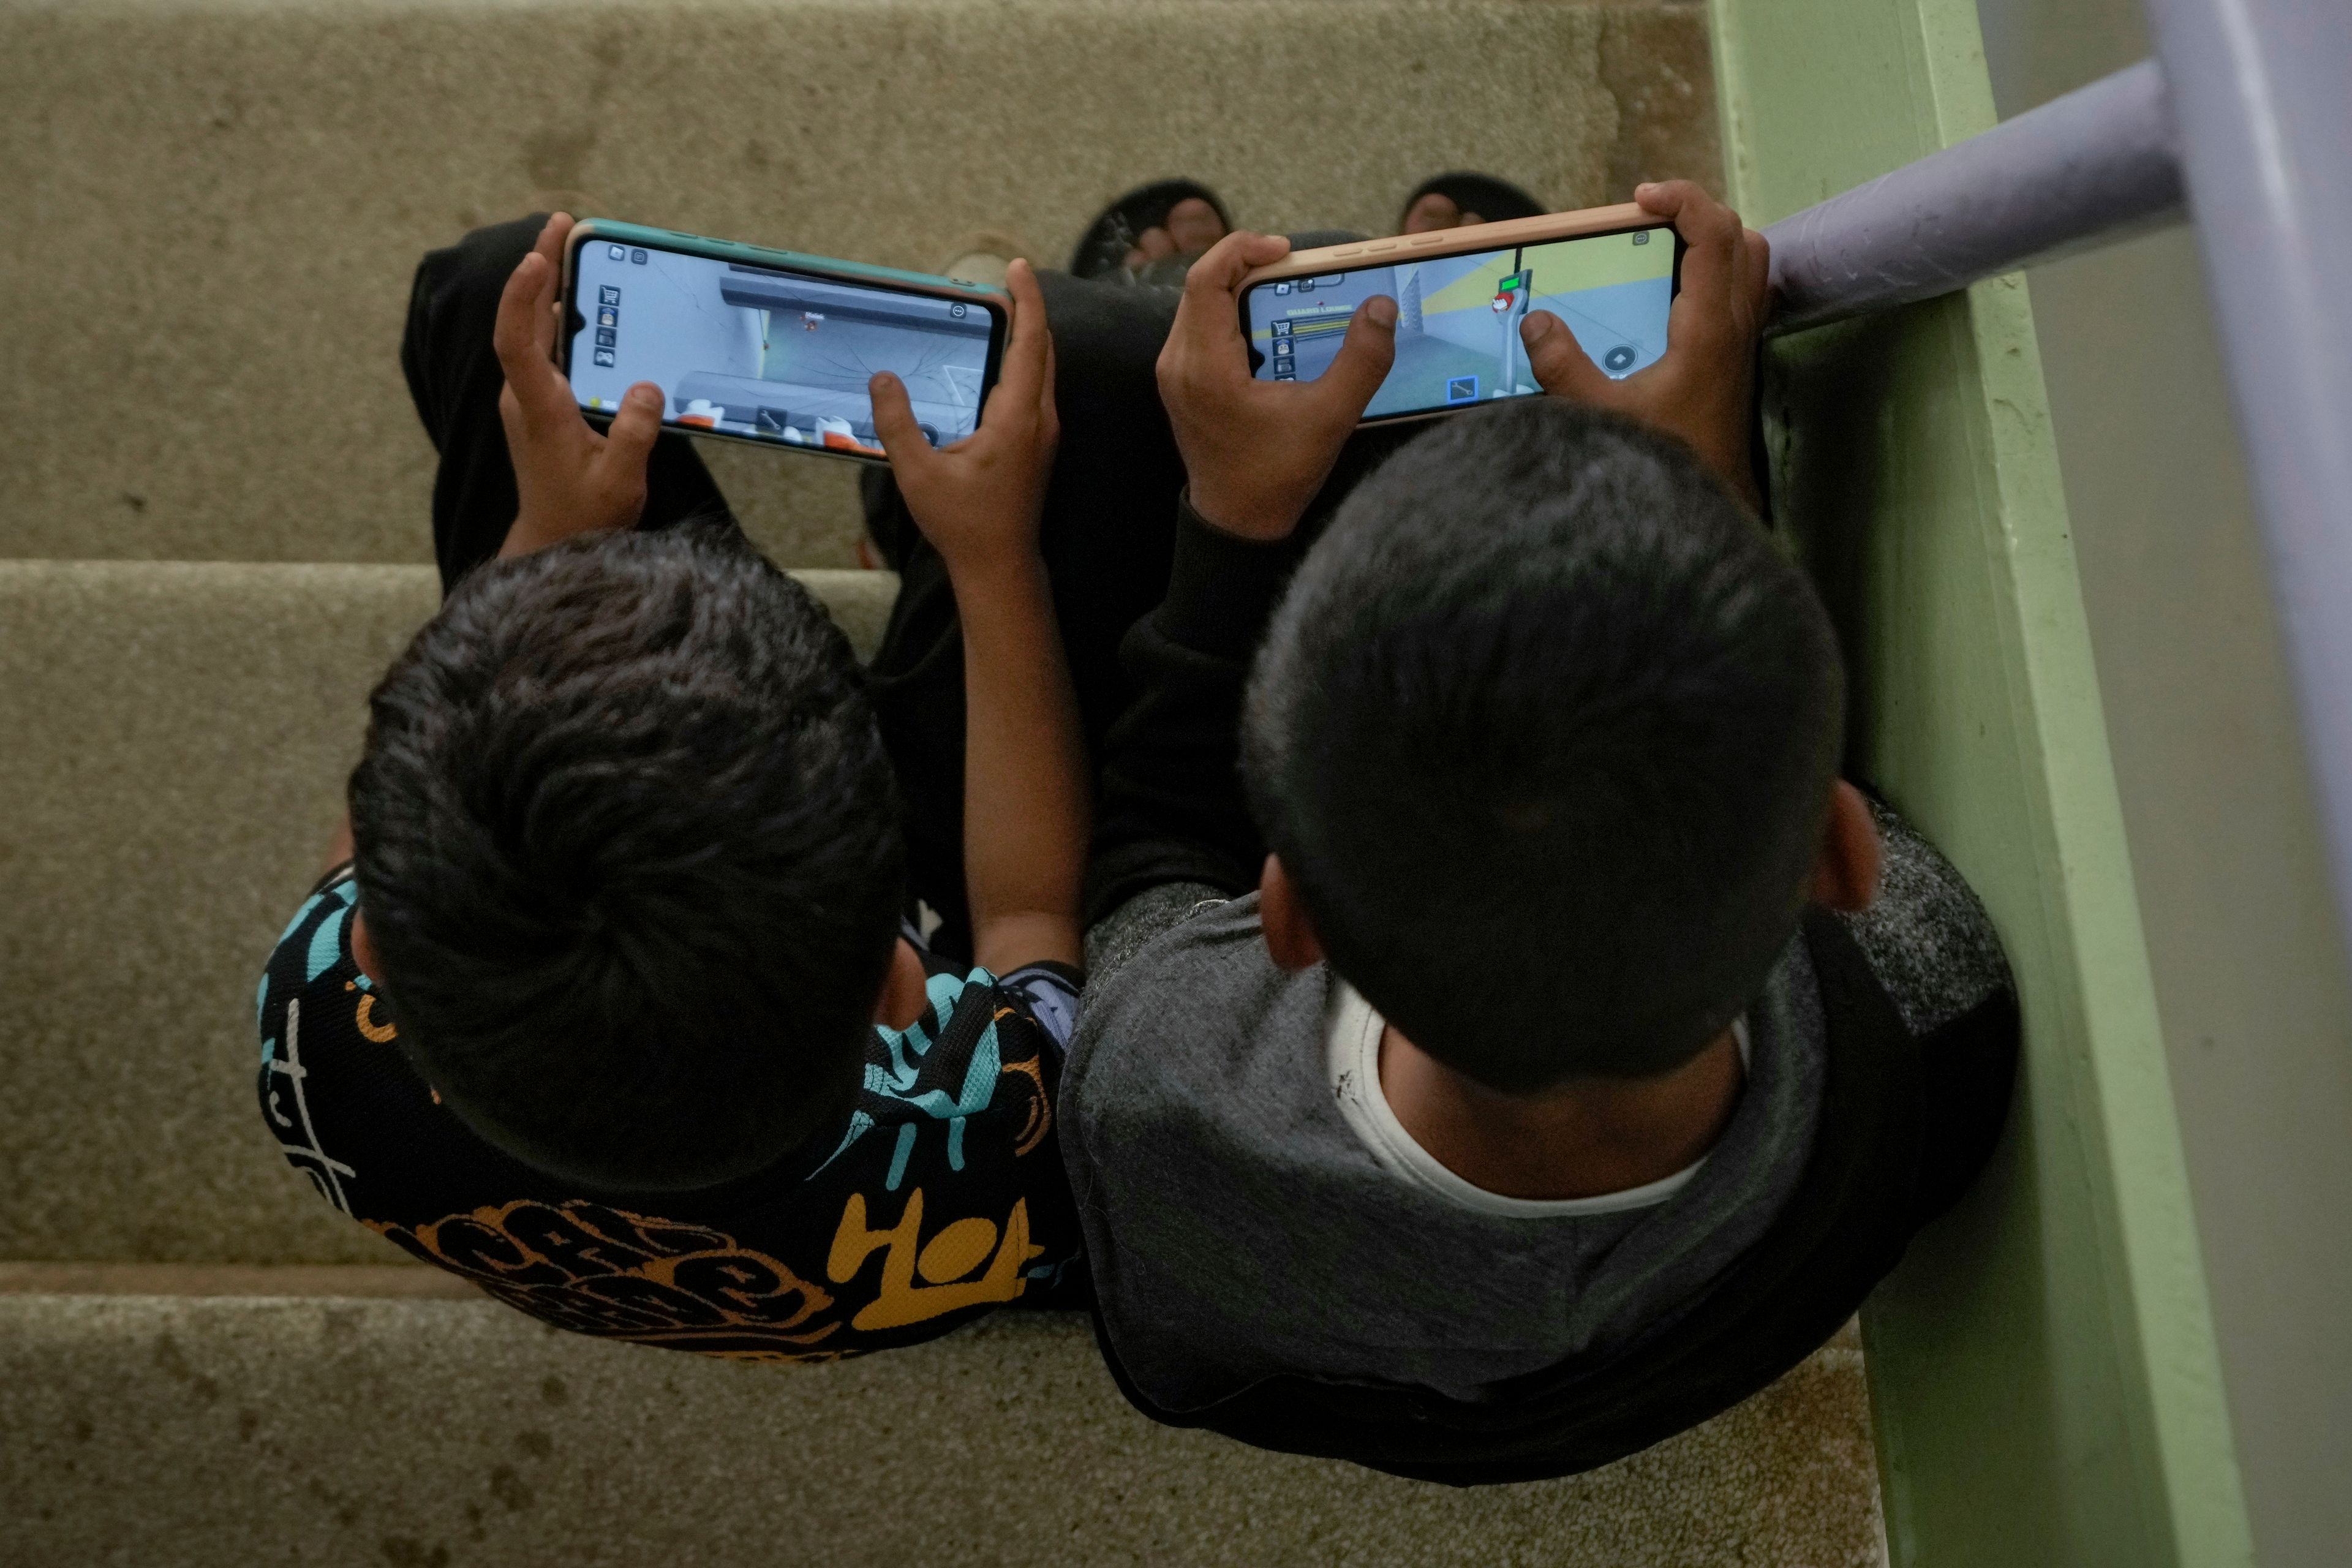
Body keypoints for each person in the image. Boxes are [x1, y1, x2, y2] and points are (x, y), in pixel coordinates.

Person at [1063, 182, 2022, 1480]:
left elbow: (1150, 868)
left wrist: (1231, 522)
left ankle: (1191, 298)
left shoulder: (1154, 1099)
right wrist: (1705, 475)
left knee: (1148, 363)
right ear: (1845, 857)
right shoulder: (1935, 1014)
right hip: (1641, 1351)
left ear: (1284, 913)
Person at [254, 213, 1091, 1361]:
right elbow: (1031, 918)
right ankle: (925, 517)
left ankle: (929, 510)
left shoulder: (318, 1057)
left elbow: (395, 822)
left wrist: (550, 531)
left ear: (378, 954)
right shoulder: (990, 1147)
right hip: (887, 899)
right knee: (1061, 420)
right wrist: (995, 557)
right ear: (907, 984)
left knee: (507, 291)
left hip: (780, 953)